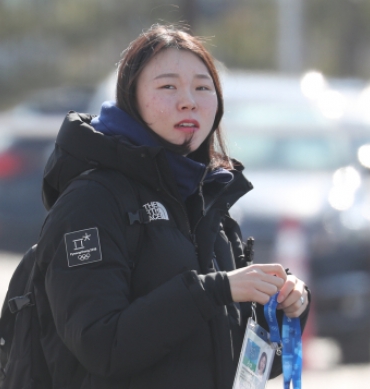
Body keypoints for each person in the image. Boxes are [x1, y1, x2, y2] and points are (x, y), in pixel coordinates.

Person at [32, 24, 310, 389]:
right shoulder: (91, 201)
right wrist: (216, 290)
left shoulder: (210, 202)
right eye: (168, 86)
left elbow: (244, 365)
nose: (189, 101)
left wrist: (285, 307)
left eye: (202, 87)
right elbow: (101, 346)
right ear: (130, 100)